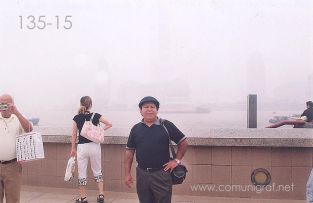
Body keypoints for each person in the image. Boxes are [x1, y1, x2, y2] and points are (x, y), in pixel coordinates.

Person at [124, 96, 188, 203]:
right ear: (140, 111)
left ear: (157, 110)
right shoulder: (136, 129)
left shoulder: (166, 125)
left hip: (162, 173)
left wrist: (176, 161)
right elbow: (129, 151)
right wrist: (127, 174)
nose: (149, 109)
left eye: (152, 107)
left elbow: (183, 142)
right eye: (146, 107)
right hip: (142, 174)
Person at [70, 96, 112, 203]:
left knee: (82, 172)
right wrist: (98, 130)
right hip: (94, 146)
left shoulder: (76, 118)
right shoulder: (96, 115)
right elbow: (109, 124)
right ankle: (101, 195)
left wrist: (73, 149)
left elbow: (74, 135)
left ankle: (83, 198)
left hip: (82, 147)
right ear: (91, 104)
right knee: (97, 170)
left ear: (81, 104)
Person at [0, 94, 33, 203]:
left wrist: (17, 112)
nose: (3, 106)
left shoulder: (18, 117)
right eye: (1, 103)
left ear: (12, 104)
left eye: (6, 103)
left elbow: (29, 129)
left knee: (13, 199)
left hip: (13, 167)